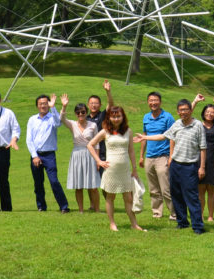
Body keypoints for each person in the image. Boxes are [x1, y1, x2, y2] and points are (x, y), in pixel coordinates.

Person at [134, 98, 207, 233]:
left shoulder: (198, 125)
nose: (183, 112)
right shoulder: (177, 124)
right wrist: (145, 138)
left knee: (191, 196)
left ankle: (197, 226)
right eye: (181, 110)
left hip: (190, 166)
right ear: (178, 112)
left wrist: (202, 167)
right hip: (175, 165)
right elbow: (163, 136)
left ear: (191, 110)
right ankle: (182, 222)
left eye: (186, 109)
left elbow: (203, 148)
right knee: (176, 195)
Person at [88, 105, 144, 231]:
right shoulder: (105, 131)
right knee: (110, 197)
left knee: (128, 197)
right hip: (111, 169)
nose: (116, 119)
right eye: (113, 117)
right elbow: (90, 145)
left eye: (118, 116)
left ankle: (134, 224)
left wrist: (134, 169)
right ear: (109, 117)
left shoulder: (127, 131)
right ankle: (112, 223)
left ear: (123, 117)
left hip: (125, 169)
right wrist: (99, 161)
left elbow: (131, 151)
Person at [26, 93, 71, 213]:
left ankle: (64, 206)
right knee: (38, 183)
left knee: (54, 180)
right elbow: (29, 140)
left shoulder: (52, 117)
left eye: (45, 103)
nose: (43, 106)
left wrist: (53, 107)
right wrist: (34, 156)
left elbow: (58, 123)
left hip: (49, 155)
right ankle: (41, 206)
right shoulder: (32, 119)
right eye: (41, 104)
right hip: (36, 155)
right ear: (37, 106)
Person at [139, 91, 175, 219]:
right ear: (148, 102)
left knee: (166, 188)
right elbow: (144, 137)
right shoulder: (146, 117)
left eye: (155, 100)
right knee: (153, 188)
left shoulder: (168, 117)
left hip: (163, 156)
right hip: (149, 157)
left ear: (160, 102)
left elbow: (173, 137)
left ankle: (174, 213)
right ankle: (157, 212)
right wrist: (141, 156)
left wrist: (171, 156)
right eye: (151, 100)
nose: (153, 103)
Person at [194, 93, 214, 223]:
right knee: (201, 190)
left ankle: (211, 216)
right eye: (207, 112)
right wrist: (195, 101)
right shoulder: (197, 124)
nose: (210, 114)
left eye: (212, 112)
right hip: (199, 160)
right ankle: (201, 215)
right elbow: (187, 114)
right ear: (203, 113)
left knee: (211, 190)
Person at [66, 101, 101, 212]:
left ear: (86, 112)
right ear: (75, 114)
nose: (80, 114)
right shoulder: (72, 124)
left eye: (83, 112)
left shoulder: (93, 125)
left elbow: (97, 143)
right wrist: (64, 106)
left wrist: (98, 160)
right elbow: (61, 118)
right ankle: (81, 210)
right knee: (78, 185)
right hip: (77, 154)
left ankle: (97, 209)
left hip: (90, 154)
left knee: (93, 185)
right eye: (78, 112)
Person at [87, 81, 114, 193]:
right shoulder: (85, 118)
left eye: (96, 103)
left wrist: (108, 92)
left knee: (105, 180)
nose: (94, 105)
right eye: (91, 103)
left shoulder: (102, 115)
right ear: (88, 105)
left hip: (103, 152)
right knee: (90, 182)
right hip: (89, 152)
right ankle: (93, 205)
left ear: (100, 105)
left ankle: (108, 201)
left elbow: (111, 105)